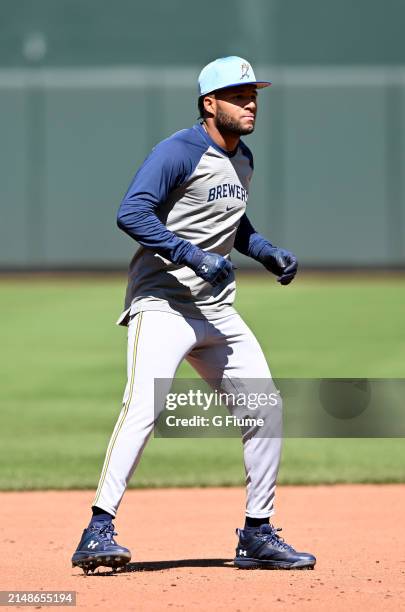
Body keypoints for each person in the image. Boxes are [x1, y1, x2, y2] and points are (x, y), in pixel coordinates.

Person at [71, 56, 316, 573]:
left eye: (254, 93)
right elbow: (131, 212)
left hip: (216, 310)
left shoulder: (243, 157)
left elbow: (230, 218)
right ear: (210, 104)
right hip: (162, 303)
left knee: (266, 408)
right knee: (143, 408)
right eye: (238, 94)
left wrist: (265, 249)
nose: (250, 102)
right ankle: (97, 528)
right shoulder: (177, 151)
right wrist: (192, 254)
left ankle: (257, 532)